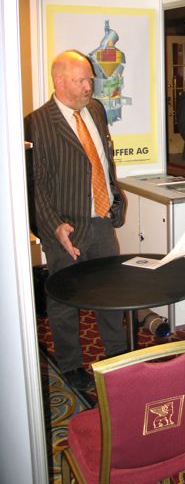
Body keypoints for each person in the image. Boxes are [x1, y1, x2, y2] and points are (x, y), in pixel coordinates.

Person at [25, 50, 127, 390]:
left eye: (90, 79)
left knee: (111, 293)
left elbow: (103, 159)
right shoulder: (36, 123)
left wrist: (114, 198)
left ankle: (117, 355)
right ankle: (70, 365)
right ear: (59, 81)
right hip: (65, 228)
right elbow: (35, 183)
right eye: (81, 80)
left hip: (101, 222)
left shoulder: (95, 110)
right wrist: (54, 226)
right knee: (63, 299)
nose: (89, 86)